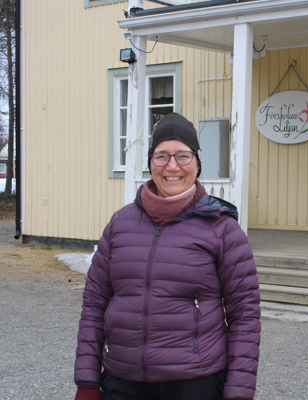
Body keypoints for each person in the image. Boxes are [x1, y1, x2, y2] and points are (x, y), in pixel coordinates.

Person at [74, 113, 261, 400]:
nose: (172, 166)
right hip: (122, 381)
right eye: (161, 156)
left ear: (197, 164)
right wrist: (87, 380)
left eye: (183, 156)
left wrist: (238, 392)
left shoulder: (223, 229)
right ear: (150, 163)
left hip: (195, 382)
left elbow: (244, 316)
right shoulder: (120, 224)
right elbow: (94, 304)